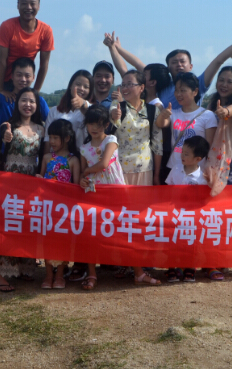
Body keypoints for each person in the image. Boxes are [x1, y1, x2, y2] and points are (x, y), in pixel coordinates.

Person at [79, 105, 161, 289]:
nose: (94, 128)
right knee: (92, 235)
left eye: (98, 124)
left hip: (116, 193)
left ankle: (138, 273)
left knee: (126, 232)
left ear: (106, 125)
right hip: (94, 194)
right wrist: (82, 179)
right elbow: (83, 176)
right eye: (91, 124)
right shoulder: (83, 147)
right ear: (86, 125)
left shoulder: (111, 139)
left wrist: (86, 172)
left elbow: (104, 163)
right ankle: (92, 274)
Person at [106, 25, 232, 107]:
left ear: (191, 66)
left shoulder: (198, 85)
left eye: (182, 62)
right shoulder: (162, 85)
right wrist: (116, 49)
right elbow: (136, 67)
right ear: (168, 67)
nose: (179, 65)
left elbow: (217, 61)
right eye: (174, 62)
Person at [0, 87, 44, 292]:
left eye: (32, 101)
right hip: (11, 180)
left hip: (32, 180)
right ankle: (1, 273)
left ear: (37, 105)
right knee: (7, 225)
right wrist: (5, 140)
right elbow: (0, 151)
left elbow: (45, 156)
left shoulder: (42, 128)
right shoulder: (8, 125)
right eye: (24, 100)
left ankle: (24, 266)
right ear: (17, 103)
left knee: (27, 223)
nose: (28, 104)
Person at [0, 0, 54, 130]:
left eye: (32, 3)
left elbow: (44, 65)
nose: (28, 7)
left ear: (39, 6)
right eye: (24, 3)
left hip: (22, 80)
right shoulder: (7, 26)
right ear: (17, 5)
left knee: (24, 122)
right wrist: (1, 89)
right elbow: (2, 61)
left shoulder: (46, 31)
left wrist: (36, 91)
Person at [0, 46, 49, 161]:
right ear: (12, 76)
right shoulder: (2, 99)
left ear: (33, 77)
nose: (23, 79)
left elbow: (51, 123)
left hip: (31, 161)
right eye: (19, 75)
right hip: (5, 157)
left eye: (27, 76)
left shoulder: (38, 102)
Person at [38, 119, 81, 290]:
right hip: (47, 207)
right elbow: (40, 179)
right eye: (51, 137)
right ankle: (48, 275)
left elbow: (76, 185)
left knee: (64, 242)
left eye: (56, 138)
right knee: (47, 241)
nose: (52, 141)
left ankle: (60, 274)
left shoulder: (73, 160)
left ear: (68, 138)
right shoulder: (47, 157)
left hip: (65, 209)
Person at [165, 135, 212, 283]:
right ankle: (172, 267)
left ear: (198, 159)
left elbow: (204, 197)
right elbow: (167, 189)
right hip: (175, 213)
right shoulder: (176, 169)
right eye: (182, 152)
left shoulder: (202, 177)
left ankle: (190, 268)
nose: (182, 155)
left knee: (191, 242)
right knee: (173, 241)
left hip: (192, 216)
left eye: (186, 154)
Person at [155, 72, 218, 181]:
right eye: (176, 90)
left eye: (183, 90)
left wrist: (210, 171)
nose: (178, 94)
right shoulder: (173, 113)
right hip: (174, 169)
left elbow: (211, 147)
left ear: (195, 91)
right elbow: (160, 124)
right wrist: (162, 115)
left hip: (197, 171)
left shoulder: (207, 115)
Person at [109, 70, 163, 186]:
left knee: (142, 203)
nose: (125, 88)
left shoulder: (152, 110)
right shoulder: (117, 107)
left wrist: (157, 175)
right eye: (123, 84)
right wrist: (114, 116)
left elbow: (157, 145)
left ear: (141, 88)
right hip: (119, 169)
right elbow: (112, 117)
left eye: (129, 84)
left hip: (145, 169)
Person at [43, 70, 94, 153]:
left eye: (86, 87)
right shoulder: (54, 111)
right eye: (78, 84)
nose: (81, 88)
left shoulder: (91, 110)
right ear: (70, 85)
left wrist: (83, 104)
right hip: (57, 159)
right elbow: (47, 139)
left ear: (90, 91)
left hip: (82, 158)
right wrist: (46, 162)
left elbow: (92, 116)